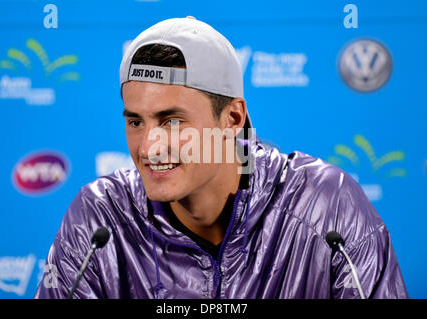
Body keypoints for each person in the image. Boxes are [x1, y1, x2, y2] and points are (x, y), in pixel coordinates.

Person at [35, 17, 408, 299]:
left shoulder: (326, 208)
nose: (148, 148)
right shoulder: (100, 219)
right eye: (135, 121)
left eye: (172, 121)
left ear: (232, 119)